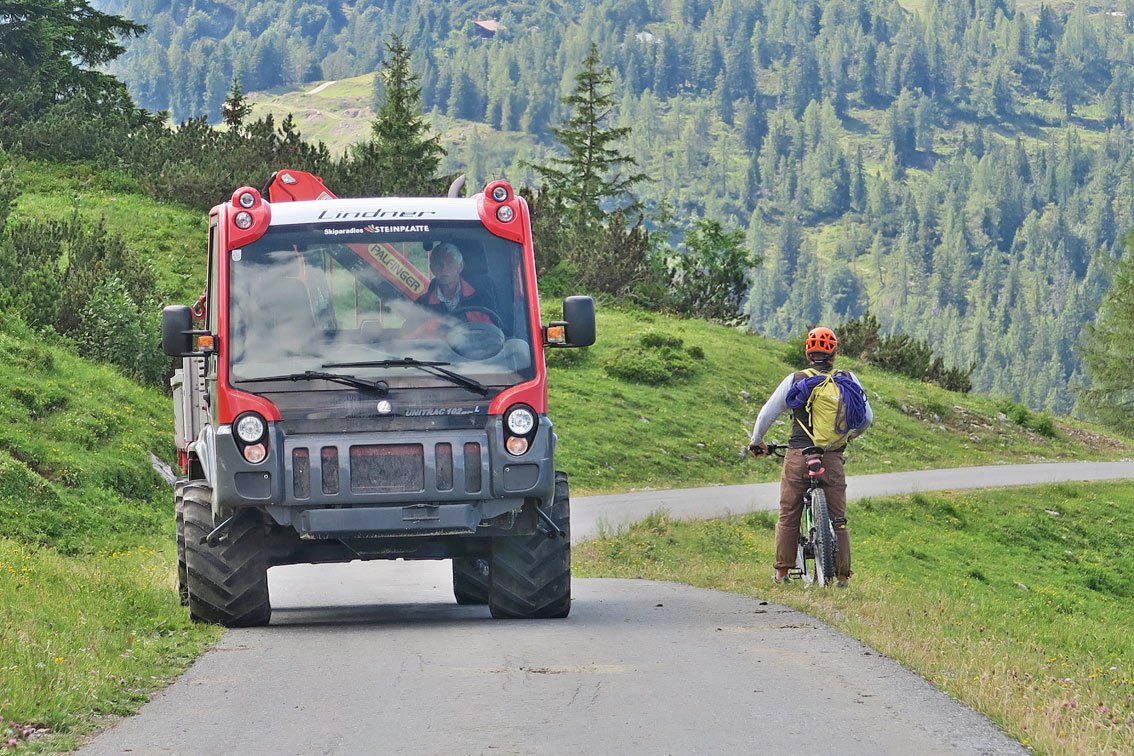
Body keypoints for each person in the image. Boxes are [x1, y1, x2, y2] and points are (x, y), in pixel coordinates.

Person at [748, 326, 873, 588]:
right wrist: (848, 437)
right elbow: (866, 419)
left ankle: (782, 573)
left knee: (789, 513)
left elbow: (767, 414)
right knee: (838, 518)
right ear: (834, 354)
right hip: (832, 457)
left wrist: (756, 441)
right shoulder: (847, 379)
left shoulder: (796, 379)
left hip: (799, 455)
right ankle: (842, 576)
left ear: (808, 353)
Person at [416, 242, 497, 322]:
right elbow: (412, 329)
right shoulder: (421, 305)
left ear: (460, 267)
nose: (444, 268)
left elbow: (494, 328)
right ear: (432, 269)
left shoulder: (480, 298)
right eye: (438, 263)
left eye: (450, 262)